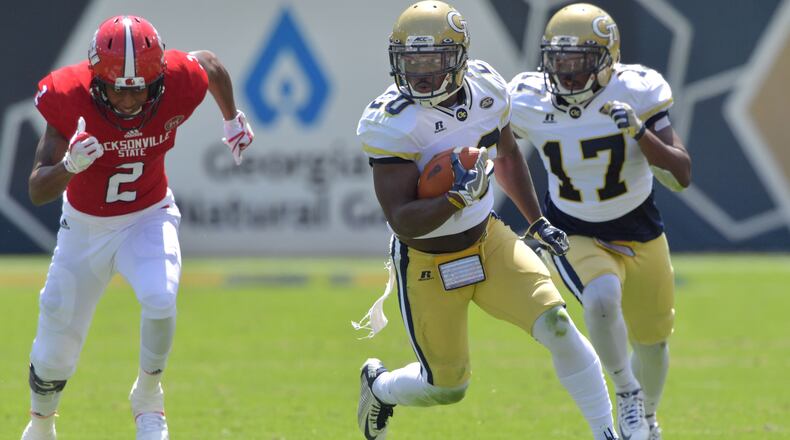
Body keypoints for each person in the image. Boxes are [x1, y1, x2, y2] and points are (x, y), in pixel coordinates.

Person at [352, 2, 619, 439]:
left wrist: (535, 221)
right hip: (428, 262)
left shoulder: (485, 88)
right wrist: (457, 197)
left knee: (557, 323)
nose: (420, 75)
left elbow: (508, 153)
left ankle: (606, 433)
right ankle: (380, 387)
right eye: (410, 63)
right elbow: (402, 220)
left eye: (432, 63)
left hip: (488, 240)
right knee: (446, 387)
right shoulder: (392, 122)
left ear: (458, 59)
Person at [21, 15, 254, 440]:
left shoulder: (180, 79)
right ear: (95, 81)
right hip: (85, 228)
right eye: (117, 88)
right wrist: (69, 166)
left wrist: (232, 118)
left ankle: (148, 398)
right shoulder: (68, 94)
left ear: (159, 80)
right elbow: (37, 190)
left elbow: (212, 65)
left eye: (139, 88)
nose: (129, 101)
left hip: (148, 214)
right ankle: (41, 426)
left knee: (161, 296)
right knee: (55, 346)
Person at [507, 3, 692, 440]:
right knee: (602, 298)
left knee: (653, 341)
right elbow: (500, 148)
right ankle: (626, 392)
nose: (566, 74)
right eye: (559, 61)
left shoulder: (638, 90)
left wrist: (640, 133)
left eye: (579, 63)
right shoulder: (528, 98)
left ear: (608, 61)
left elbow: (681, 175)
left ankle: (647, 416)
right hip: (575, 227)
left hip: (640, 227)